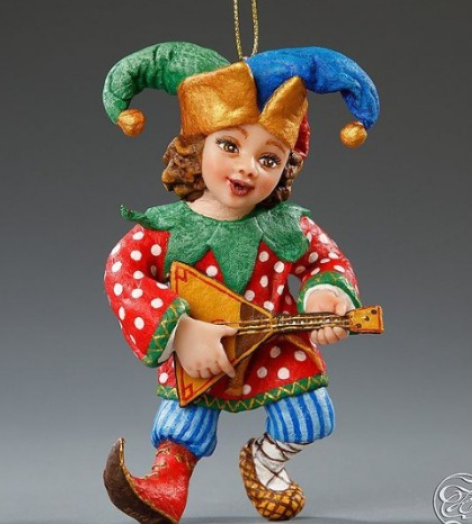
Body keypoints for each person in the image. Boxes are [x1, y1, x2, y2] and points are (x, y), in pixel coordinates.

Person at [102, 42, 379, 524]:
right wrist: (180, 331)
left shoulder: (289, 226)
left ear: (287, 167)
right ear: (196, 146)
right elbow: (121, 272)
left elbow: (326, 260)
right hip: (202, 352)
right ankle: (167, 483)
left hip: (274, 345)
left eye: (269, 159)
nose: (248, 167)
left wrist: (326, 294)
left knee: (312, 416)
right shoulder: (166, 229)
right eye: (229, 146)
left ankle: (266, 459)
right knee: (182, 426)